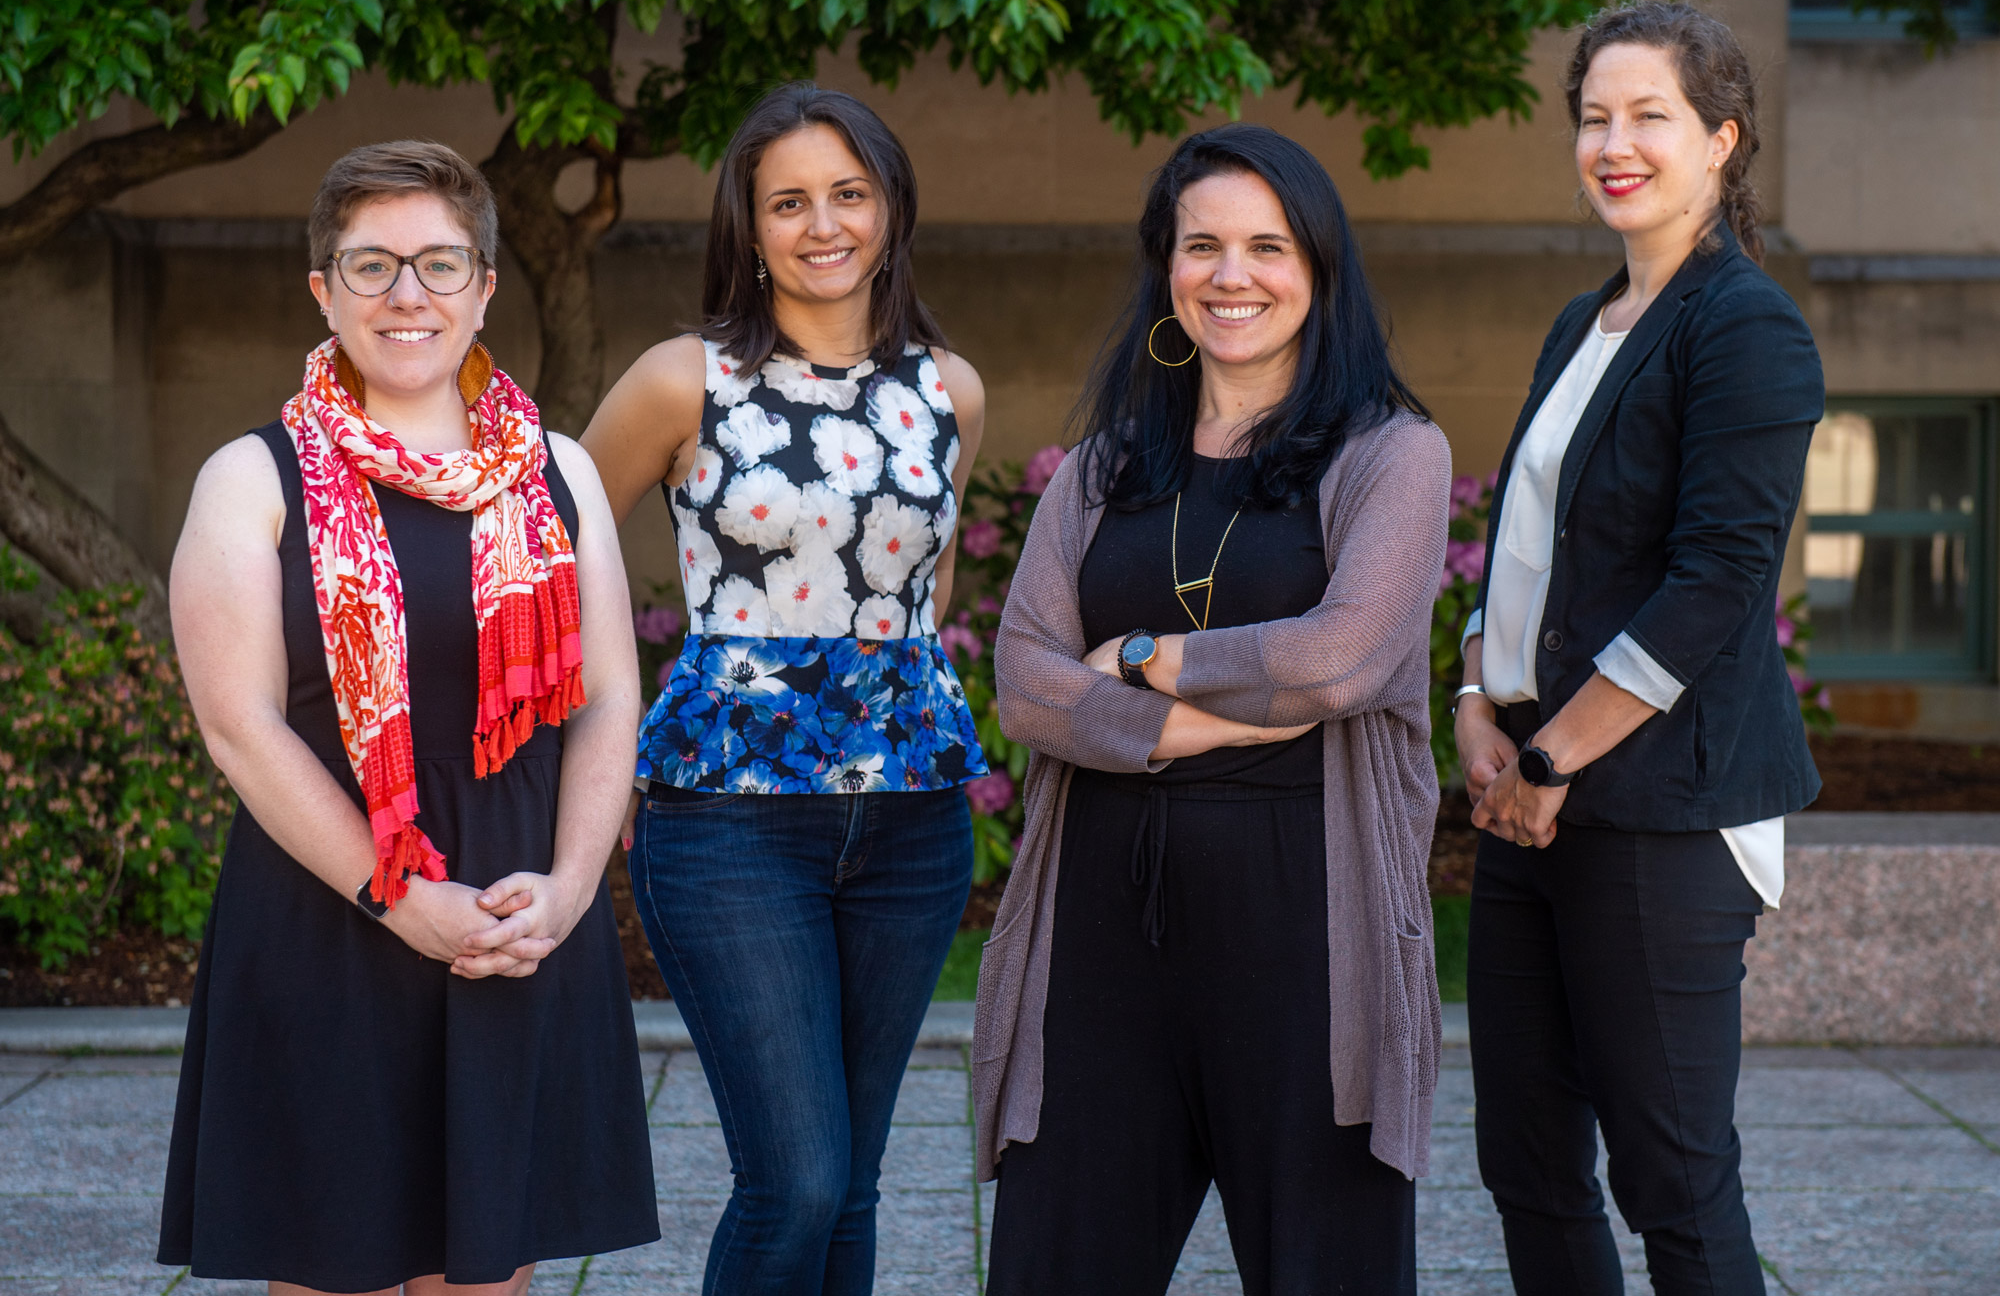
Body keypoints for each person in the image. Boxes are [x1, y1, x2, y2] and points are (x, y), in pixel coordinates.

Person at [158, 140, 658, 1295]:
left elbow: (608, 698)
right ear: (322, 289)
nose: (406, 296)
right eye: (370, 265)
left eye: (439, 264)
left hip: (515, 917)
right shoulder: (251, 477)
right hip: (330, 918)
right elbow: (240, 726)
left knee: (492, 1276)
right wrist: (398, 896)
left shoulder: (558, 471)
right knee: (342, 1273)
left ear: (484, 286)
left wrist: (574, 888)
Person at [973, 122, 1450, 1296]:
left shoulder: (1391, 454)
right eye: (1201, 247)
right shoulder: (1102, 469)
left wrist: (1134, 656)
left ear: (1319, 272)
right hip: (1096, 953)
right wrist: (1212, 712)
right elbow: (1025, 678)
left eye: (1266, 246)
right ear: (1165, 270)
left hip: (1305, 955)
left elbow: (1338, 662)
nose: (1231, 276)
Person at [579, 83, 987, 1294]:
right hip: (730, 820)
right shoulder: (677, 382)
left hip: (912, 820)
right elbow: (545, 568)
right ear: (747, 228)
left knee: (853, 1186)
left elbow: (929, 591)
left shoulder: (945, 389)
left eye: (848, 195)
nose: (823, 225)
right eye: (789, 202)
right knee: (796, 1181)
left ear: (891, 208)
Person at [1452, 0, 1823, 1296]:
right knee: (1529, 1163)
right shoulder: (1583, 321)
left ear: (1723, 138)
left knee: (1673, 1175)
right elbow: (1526, 544)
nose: (1615, 141)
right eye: (1594, 116)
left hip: (1660, 814)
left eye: (1649, 115)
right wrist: (1472, 695)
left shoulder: (1746, 326)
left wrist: (1548, 755)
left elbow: (1715, 580)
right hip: (1534, 798)